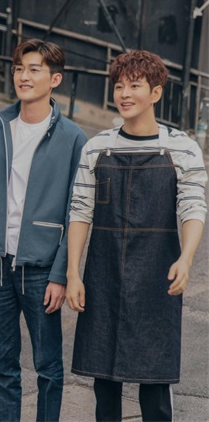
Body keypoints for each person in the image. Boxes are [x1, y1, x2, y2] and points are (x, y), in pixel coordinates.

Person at [66, 50, 207, 421]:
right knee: (103, 380)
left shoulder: (182, 147)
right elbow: (80, 212)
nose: (124, 94)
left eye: (134, 86)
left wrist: (186, 258)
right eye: (119, 87)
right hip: (103, 272)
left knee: (155, 383)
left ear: (155, 93)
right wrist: (73, 273)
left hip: (157, 274)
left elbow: (194, 207)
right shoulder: (97, 147)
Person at [0, 39, 87, 421]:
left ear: (55, 79)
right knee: (2, 363)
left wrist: (61, 274)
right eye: (18, 69)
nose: (23, 77)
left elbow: (77, 213)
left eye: (33, 70)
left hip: (42, 268)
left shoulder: (73, 138)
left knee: (48, 366)